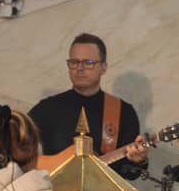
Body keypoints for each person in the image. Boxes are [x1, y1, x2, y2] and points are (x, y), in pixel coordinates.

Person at [28, 33, 148, 179]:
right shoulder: (46, 109)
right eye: (74, 62)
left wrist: (138, 161)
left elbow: (129, 173)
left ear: (103, 67)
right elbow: (16, 147)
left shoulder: (123, 112)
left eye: (88, 62)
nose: (80, 68)